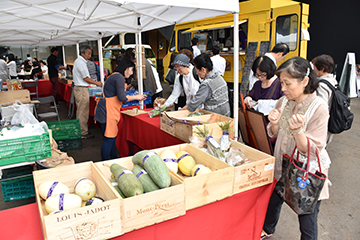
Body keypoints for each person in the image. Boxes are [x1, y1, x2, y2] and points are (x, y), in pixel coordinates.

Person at [261, 57, 330, 240]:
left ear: (305, 81)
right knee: (274, 200)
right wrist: (274, 124)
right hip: (283, 165)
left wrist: (298, 131)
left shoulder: (318, 108)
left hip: (305, 170)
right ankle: (267, 230)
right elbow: (276, 134)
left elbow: (311, 150)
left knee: (307, 215)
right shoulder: (285, 102)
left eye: (287, 84)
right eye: (281, 83)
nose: (282, 88)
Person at [94, 58, 146, 160]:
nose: (131, 73)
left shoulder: (114, 75)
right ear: (126, 69)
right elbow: (122, 98)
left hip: (105, 109)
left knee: (111, 138)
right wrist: (137, 97)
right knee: (109, 139)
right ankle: (103, 162)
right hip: (108, 110)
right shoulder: (119, 78)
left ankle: (113, 158)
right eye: (131, 70)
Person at [73, 45, 103, 139]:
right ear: (82, 53)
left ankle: (80, 130)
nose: (90, 55)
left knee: (81, 110)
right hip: (81, 89)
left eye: (90, 53)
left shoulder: (79, 61)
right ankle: (83, 132)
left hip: (80, 88)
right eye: (88, 53)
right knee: (83, 111)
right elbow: (85, 78)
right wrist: (96, 83)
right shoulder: (81, 62)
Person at [312, 54, 337, 144]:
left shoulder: (322, 85)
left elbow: (322, 106)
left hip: (324, 122)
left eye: (315, 67)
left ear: (322, 68)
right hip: (332, 118)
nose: (313, 70)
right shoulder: (333, 80)